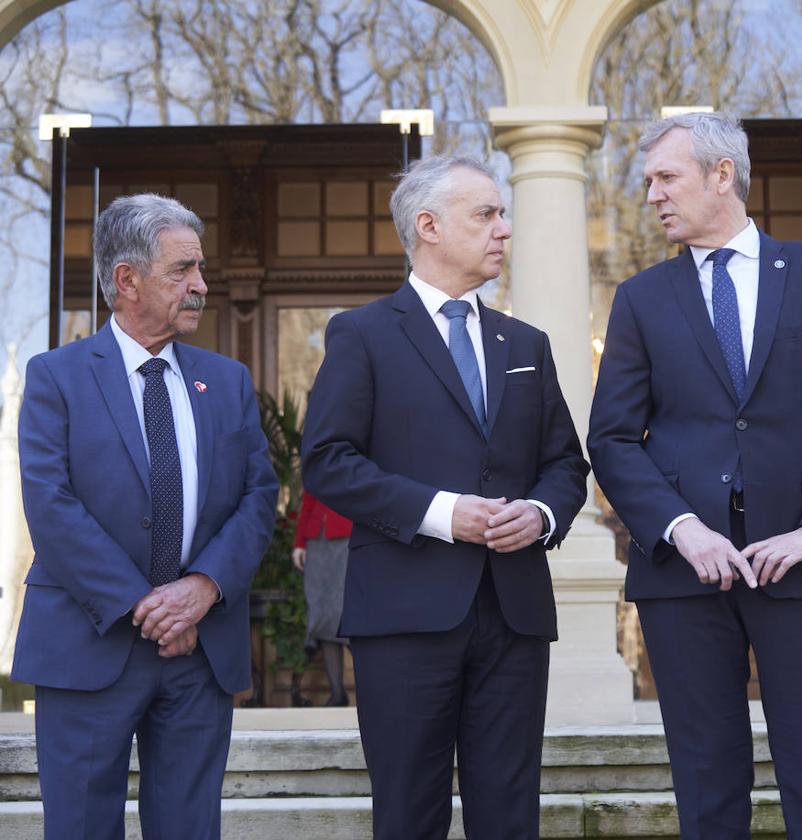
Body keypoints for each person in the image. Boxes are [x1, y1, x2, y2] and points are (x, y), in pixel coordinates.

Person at [588, 112, 802, 839]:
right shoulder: (640, 298)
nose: (653, 194)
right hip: (682, 577)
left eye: (667, 177)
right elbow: (613, 438)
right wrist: (682, 528)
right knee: (706, 785)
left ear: (722, 175)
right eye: (650, 180)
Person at [300, 154, 589, 839]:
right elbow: (327, 462)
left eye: (502, 214)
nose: (504, 230)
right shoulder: (362, 334)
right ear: (428, 226)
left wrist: (542, 513)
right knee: (408, 815)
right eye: (486, 214)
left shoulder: (527, 344)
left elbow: (565, 466)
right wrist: (441, 514)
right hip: (403, 617)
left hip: (514, 616)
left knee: (510, 815)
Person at [14, 193, 279, 839]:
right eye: (183, 270)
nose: (201, 286)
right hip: (88, 642)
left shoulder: (229, 381)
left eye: (200, 269)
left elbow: (258, 493)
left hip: (200, 653)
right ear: (127, 280)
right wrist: (148, 606)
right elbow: (51, 504)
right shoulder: (56, 376)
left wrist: (202, 589)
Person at [291, 488, 352, 706]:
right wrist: (299, 543)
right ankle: (337, 694)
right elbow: (308, 498)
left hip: (347, 536)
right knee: (322, 614)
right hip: (316, 540)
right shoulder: (315, 455)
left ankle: (375, 694)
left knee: (343, 613)